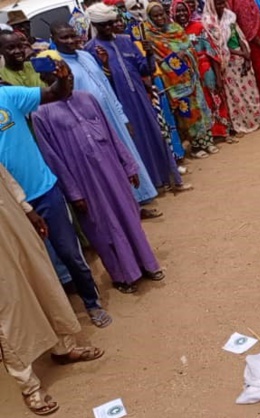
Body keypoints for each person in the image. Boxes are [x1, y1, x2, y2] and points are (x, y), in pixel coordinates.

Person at [32, 55, 164, 294]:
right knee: (103, 227)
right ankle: (124, 275)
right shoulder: (41, 114)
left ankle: (148, 264)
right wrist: (73, 192)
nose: (67, 81)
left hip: (112, 169)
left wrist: (129, 165)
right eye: (59, 78)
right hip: (83, 181)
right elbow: (53, 159)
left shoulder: (88, 99)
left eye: (69, 76)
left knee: (129, 216)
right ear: (46, 80)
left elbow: (112, 134)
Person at [0, 61, 112, 326]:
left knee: (69, 252)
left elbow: (54, 94)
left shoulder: (6, 95)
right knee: (34, 265)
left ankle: (91, 303)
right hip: (10, 206)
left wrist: (63, 78)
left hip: (43, 189)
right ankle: (55, 320)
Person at [0, 164, 105, 416]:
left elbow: (4, 177)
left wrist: (27, 209)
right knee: (9, 309)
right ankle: (29, 386)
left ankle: (63, 348)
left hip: (13, 222)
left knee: (43, 283)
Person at [51, 23, 162, 217]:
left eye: (72, 36)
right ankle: (127, 209)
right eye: (63, 38)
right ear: (53, 40)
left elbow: (105, 87)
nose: (70, 41)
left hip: (111, 115)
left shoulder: (85, 55)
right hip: (90, 123)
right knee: (110, 165)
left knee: (126, 157)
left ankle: (138, 202)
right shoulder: (58, 65)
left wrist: (122, 116)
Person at [85, 3, 186, 191]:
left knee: (156, 135)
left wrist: (148, 53)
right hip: (119, 103)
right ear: (95, 26)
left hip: (140, 97)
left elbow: (144, 69)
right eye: (103, 25)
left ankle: (168, 178)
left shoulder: (125, 40)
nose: (108, 28)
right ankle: (149, 185)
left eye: (110, 23)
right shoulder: (90, 50)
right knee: (134, 143)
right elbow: (99, 82)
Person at [146, 1, 220, 157]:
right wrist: (172, 59)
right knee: (187, 113)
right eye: (156, 16)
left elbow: (190, 48)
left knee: (200, 108)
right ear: (150, 18)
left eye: (162, 14)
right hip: (174, 83)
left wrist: (184, 54)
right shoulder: (150, 37)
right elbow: (155, 60)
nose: (160, 18)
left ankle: (207, 142)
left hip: (191, 76)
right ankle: (196, 147)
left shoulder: (176, 29)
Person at [174, 0, 235, 141]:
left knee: (215, 98)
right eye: (178, 10)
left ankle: (222, 131)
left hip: (205, 68)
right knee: (199, 103)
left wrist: (218, 76)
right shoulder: (173, 33)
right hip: (187, 74)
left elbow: (211, 51)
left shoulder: (199, 27)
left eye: (184, 10)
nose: (182, 13)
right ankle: (206, 135)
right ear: (173, 12)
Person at [203, 0, 260, 133]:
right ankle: (241, 124)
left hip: (240, 59)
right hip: (227, 63)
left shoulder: (230, 17)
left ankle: (253, 119)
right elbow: (218, 46)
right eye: (217, 4)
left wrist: (246, 53)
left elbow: (239, 36)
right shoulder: (209, 23)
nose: (221, 6)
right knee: (235, 94)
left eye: (222, 3)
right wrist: (240, 53)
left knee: (249, 92)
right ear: (211, 5)